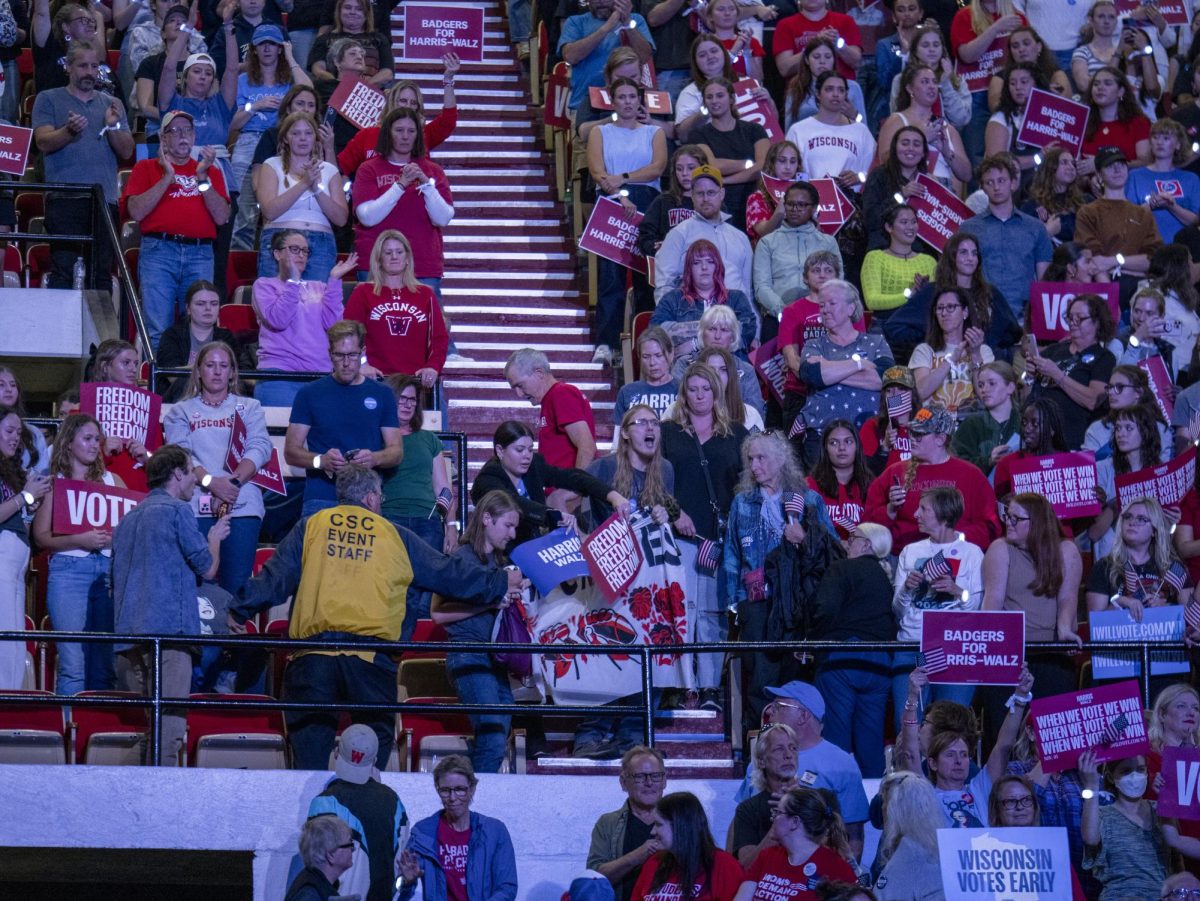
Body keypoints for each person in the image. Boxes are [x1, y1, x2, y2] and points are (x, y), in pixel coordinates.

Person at [233, 468, 522, 770]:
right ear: (371, 498)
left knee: (310, 762)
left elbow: (273, 580)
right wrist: (500, 584)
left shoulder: (311, 526)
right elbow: (448, 574)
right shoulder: (394, 535)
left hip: (312, 657)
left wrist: (238, 609)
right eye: (380, 498)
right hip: (370, 660)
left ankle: (316, 812)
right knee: (374, 755)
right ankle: (365, 806)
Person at [112, 444, 229, 764]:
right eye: (191, 472)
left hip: (130, 637)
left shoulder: (128, 518)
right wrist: (214, 540)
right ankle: (155, 806)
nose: (195, 479)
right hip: (169, 635)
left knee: (153, 727)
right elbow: (207, 568)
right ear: (177, 474)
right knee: (170, 730)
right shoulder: (178, 511)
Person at [725, 430, 837, 727]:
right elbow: (732, 557)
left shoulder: (809, 500)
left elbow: (832, 550)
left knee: (796, 680)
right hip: (758, 605)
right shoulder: (742, 503)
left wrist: (804, 538)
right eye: (750, 459)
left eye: (761, 458)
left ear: (781, 459)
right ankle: (758, 751)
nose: (755, 465)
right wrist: (736, 604)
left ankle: (798, 746)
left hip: (798, 605)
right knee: (759, 682)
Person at [661, 362, 749, 709]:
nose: (699, 396)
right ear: (684, 394)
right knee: (680, 613)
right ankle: (683, 686)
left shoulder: (737, 435)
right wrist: (674, 512)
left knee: (712, 615)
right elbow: (655, 482)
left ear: (716, 393)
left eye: (706, 389)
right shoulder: (668, 433)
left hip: (719, 539)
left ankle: (711, 685)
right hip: (678, 536)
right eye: (693, 389)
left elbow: (745, 486)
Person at [162, 341, 270, 602]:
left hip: (241, 501)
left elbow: (260, 447)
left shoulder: (249, 407)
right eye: (210, 365)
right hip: (196, 502)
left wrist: (230, 485)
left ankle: (231, 643)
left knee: (236, 591)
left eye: (224, 366)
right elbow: (182, 455)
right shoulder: (181, 412)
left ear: (233, 372)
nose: (217, 372)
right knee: (197, 586)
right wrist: (212, 483)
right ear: (198, 371)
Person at [121, 109, 230, 350]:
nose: (183, 136)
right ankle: (160, 386)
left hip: (200, 253)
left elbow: (222, 217)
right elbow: (136, 212)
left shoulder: (209, 170)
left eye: (188, 130)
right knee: (157, 327)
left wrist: (202, 179)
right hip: (159, 251)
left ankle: (194, 386)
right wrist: (166, 177)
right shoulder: (146, 168)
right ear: (163, 139)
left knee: (200, 326)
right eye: (175, 131)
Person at [31, 42, 133, 289]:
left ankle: (99, 329)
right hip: (65, 198)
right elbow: (42, 142)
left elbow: (127, 151)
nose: (90, 71)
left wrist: (113, 125)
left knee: (101, 275)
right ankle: (61, 328)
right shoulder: (48, 98)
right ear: (68, 67)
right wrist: (68, 131)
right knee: (64, 271)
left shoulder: (112, 103)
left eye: (95, 66)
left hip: (104, 200)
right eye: (83, 65)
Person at [433, 490, 522, 774]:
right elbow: (438, 613)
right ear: (486, 518)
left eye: (515, 526)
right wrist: (489, 604)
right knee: (493, 738)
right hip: (468, 652)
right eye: (508, 525)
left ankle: (465, 786)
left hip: (494, 656)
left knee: (496, 736)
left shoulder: (498, 562)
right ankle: (474, 799)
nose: (513, 533)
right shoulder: (462, 558)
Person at [735, 682, 870, 860]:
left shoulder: (841, 764)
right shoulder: (760, 762)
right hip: (764, 873)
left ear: (803, 715)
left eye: (779, 706)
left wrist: (846, 879)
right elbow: (739, 825)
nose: (769, 712)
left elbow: (853, 836)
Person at [283, 321, 402, 517]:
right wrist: (320, 461)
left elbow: (396, 452)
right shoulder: (310, 394)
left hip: (366, 499)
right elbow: (291, 452)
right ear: (330, 354)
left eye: (352, 355)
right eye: (339, 355)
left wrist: (374, 458)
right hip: (321, 497)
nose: (346, 363)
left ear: (362, 352)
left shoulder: (382, 394)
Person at [587, 76, 667, 363]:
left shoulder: (653, 132)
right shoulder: (600, 131)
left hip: (647, 202)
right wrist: (620, 192)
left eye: (632, 96)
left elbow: (657, 168)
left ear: (640, 100)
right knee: (611, 277)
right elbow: (597, 170)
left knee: (647, 277)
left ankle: (645, 347)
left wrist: (624, 179)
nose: (628, 102)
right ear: (613, 100)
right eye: (621, 97)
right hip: (611, 202)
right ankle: (606, 344)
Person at [982, 492, 1082, 716]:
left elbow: (1068, 597)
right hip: (1009, 654)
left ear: (1036, 522)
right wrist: (990, 644)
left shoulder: (1066, 550)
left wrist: (1064, 628)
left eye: (1016, 518)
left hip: (1051, 651)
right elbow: (994, 600)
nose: (1008, 521)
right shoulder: (1000, 548)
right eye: (1007, 515)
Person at [898, 665, 1033, 827]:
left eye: (963, 754)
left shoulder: (980, 790)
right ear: (933, 763)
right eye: (950, 754)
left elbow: (1003, 746)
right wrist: (913, 697)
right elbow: (910, 753)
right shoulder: (925, 795)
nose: (958, 761)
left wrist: (1020, 697)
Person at [810, 522, 896, 777]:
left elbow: (824, 610)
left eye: (852, 537)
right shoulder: (886, 578)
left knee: (836, 737)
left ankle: (835, 807)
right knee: (871, 741)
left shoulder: (841, 568)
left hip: (842, 659)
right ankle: (874, 804)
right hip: (879, 664)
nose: (846, 543)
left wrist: (810, 639)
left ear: (867, 544)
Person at [891, 487, 985, 713]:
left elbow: (977, 609)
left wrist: (956, 590)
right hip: (913, 646)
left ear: (943, 513)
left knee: (951, 728)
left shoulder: (972, 553)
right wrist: (906, 588)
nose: (916, 514)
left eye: (924, 509)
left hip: (955, 649)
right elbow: (897, 610)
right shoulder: (910, 552)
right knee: (907, 725)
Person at [864, 404, 1001, 553]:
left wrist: (955, 539)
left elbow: (991, 527)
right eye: (911, 432)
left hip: (956, 556)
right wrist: (889, 511)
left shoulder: (971, 475)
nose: (912, 438)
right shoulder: (894, 472)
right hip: (902, 556)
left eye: (919, 434)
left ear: (940, 439)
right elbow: (867, 526)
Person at [352, 107, 454, 296]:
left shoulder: (433, 171)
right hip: (376, 265)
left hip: (423, 265)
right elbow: (367, 217)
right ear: (388, 133)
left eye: (411, 131)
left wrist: (426, 185)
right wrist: (400, 185)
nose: (405, 136)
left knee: (427, 324)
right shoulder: (368, 169)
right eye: (399, 130)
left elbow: (443, 219)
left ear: (418, 135)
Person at [471, 420, 622, 546]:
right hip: (501, 552)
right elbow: (515, 502)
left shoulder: (534, 465)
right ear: (500, 451)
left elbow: (572, 477)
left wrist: (613, 495)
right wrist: (553, 514)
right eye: (520, 450)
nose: (527, 456)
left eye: (530, 450)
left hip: (533, 545)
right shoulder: (488, 478)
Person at [882, 231, 1021, 368]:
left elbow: (1012, 333)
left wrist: (989, 345)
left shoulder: (990, 293)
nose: (970, 258)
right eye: (963, 252)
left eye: (974, 253)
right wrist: (933, 338)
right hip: (940, 366)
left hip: (982, 365)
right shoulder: (933, 292)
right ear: (951, 256)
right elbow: (893, 327)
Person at [251, 231, 358, 408]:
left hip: (319, 376)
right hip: (280, 376)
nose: (301, 255)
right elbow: (278, 319)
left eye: (305, 251)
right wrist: (293, 282)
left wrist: (334, 280)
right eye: (294, 249)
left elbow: (333, 326)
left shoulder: (319, 287)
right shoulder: (264, 285)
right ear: (277, 254)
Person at [228, 24, 311, 250]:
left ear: (280, 49)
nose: (267, 49)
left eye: (273, 44)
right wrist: (254, 106)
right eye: (262, 44)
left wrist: (291, 56)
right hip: (248, 140)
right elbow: (231, 124)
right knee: (243, 212)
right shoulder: (242, 80)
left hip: (281, 142)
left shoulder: (289, 80)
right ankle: (239, 263)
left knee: (279, 206)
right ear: (254, 49)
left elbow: (308, 91)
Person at [306, 723, 409, 901]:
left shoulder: (322, 803)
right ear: (375, 762)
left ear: (337, 752)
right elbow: (402, 866)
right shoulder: (394, 801)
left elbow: (318, 873)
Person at [797, 279, 895, 467]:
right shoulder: (814, 345)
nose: (824, 309)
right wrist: (860, 364)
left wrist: (828, 367)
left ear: (851, 309)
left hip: (868, 437)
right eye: (822, 305)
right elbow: (813, 376)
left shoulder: (876, 342)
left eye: (832, 303)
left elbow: (882, 379)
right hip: (821, 438)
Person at [1080, 749, 1200, 900]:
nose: (1134, 776)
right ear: (1111, 777)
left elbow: (1175, 855)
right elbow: (1090, 839)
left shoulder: (1159, 810)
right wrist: (1091, 785)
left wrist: (1166, 798)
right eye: (1126, 771)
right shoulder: (1103, 814)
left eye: (1140, 769)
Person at [397, 755, 518, 901]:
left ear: (472, 789)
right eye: (445, 790)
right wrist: (407, 881)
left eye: (460, 789)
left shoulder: (494, 831)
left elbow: (507, 887)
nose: (452, 797)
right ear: (438, 790)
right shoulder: (423, 833)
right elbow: (402, 891)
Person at [344, 230, 449, 385]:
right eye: (388, 252)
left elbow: (439, 338)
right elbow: (349, 333)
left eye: (399, 252)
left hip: (414, 382)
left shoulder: (425, 294)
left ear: (407, 257)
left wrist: (433, 366)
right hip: (374, 379)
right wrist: (362, 363)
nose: (394, 257)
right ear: (379, 259)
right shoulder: (363, 292)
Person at [253, 111, 348, 283]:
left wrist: (317, 189)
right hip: (280, 239)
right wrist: (304, 183)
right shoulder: (271, 165)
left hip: (320, 244)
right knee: (274, 299)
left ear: (316, 138)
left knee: (315, 302)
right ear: (285, 139)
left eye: (308, 133)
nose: (302, 138)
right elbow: (269, 211)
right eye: (296, 133)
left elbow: (341, 219)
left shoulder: (329, 170)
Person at [959, 153, 1053, 321]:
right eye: (989, 182)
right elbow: (960, 275)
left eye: (1001, 181)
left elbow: (1044, 280)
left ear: (1013, 183)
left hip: (1025, 316)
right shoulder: (969, 228)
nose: (996, 187)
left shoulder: (1036, 228)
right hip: (981, 315)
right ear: (982, 187)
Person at [1026, 292, 1117, 450]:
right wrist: (1029, 376)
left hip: (1071, 438)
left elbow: (1093, 400)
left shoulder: (1104, 358)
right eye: (1070, 317)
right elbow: (1026, 395)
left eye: (1080, 318)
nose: (1072, 322)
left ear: (1097, 322)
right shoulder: (1054, 350)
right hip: (1037, 435)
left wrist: (1057, 374)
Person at [337, 59, 460, 176]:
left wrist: (448, 80)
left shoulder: (423, 134)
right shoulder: (367, 135)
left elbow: (448, 120)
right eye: (403, 101)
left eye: (413, 103)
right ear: (392, 102)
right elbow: (341, 168)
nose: (407, 106)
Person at [732, 787, 858, 899]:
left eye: (778, 813)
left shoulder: (837, 869)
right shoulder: (766, 856)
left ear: (794, 822)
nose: (773, 818)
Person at [653, 166, 754, 305]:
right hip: (694, 317)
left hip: (735, 317)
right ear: (692, 196)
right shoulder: (678, 234)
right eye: (700, 193)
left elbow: (748, 289)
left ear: (722, 194)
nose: (706, 199)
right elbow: (665, 284)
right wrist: (670, 319)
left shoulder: (740, 238)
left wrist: (752, 323)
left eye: (711, 192)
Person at [653, 239, 758, 363]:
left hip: (730, 367)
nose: (704, 267)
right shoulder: (672, 299)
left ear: (718, 266)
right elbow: (657, 331)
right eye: (697, 263)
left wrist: (696, 343)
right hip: (687, 370)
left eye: (710, 262)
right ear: (689, 269)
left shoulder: (736, 298)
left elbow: (746, 331)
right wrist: (720, 330)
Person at [754, 180, 844, 324]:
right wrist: (784, 311)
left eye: (802, 205)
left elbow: (838, 281)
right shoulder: (767, 242)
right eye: (790, 204)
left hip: (820, 316)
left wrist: (816, 309)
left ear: (814, 208)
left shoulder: (828, 242)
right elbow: (761, 287)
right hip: (778, 317)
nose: (795, 209)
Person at [504, 348, 597, 483]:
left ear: (539, 373)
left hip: (567, 498)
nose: (519, 394)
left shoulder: (561, 394)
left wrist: (575, 491)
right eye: (515, 388)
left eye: (520, 385)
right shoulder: (551, 399)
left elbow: (587, 447)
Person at [588, 746, 669, 901]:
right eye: (640, 776)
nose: (649, 782)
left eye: (656, 776)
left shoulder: (680, 820)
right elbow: (594, 879)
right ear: (624, 782)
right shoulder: (608, 823)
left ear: (665, 780)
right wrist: (637, 856)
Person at [1076, 145, 1163, 287]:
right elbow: (1094, 262)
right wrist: (1112, 297)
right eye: (1110, 165)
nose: (1117, 169)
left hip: (1141, 287)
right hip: (1105, 286)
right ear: (1099, 175)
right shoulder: (1088, 212)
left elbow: (1153, 260)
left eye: (1121, 164)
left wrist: (1113, 261)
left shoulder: (1142, 213)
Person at [631, 791, 745, 900]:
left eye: (658, 824)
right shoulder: (653, 863)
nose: (653, 831)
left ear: (681, 826)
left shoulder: (724, 865)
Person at [877, 65, 972, 189]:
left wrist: (947, 152)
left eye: (934, 82)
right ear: (910, 89)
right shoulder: (896, 121)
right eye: (925, 82)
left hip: (940, 197)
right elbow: (884, 161)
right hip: (907, 191)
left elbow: (966, 175)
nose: (932, 86)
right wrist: (921, 140)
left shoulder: (948, 128)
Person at [556, 0, 654, 113]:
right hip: (585, 103)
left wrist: (627, 22)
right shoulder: (575, 21)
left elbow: (645, 56)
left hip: (628, 104)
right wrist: (607, 27)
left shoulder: (636, 20)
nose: (601, 1)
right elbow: (570, 56)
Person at [785, 72, 877, 192]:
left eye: (841, 90)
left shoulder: (861, 131)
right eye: (829, 89)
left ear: (846, 95)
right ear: (818, 94)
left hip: (851, 202)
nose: (835, 94)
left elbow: (874, 169)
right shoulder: (798, 130)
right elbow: (787, 170)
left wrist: (859, 177)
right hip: (809, 201)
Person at [588, 405, 674, 528]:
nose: (650, 427)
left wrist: (664, 516)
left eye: (655, 423)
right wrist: (581, 537)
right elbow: (560, 497)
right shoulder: (605, 466)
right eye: (641, 422)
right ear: (625, 432)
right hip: (610, 545)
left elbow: (670, 511)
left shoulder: (665, 468)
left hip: (646, 545)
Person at [155, 281, 241, 403]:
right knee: (182, 382)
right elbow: (172, 375)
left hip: (220, 398)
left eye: (214, 304)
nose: (208, 308)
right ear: (188, 309)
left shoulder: (226, 338)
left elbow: (233, 374)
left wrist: (194, 369)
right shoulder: (172, 335)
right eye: (201, 304)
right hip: (180, 399)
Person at [909, 287, 992, 414]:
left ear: (965, 312)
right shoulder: (924, 350)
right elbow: (921, 393)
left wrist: (975, 354)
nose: (944, 313)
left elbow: (985, 395)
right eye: (940, 308)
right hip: (932, 424)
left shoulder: (983, 351)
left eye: (951, 307)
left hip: (971, 422)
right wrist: (952, 359)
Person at [670, 305, 763, 416]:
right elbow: (677, 406)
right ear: (702, 333)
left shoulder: (746, 370)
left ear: (733, 337)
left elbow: (755, 414)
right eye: (712, 329)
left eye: (724, 330)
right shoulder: (684, 365)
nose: (717, 336)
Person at [729, 723, 801, 867]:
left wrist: (803, 809)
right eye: (779, 749)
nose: (788, 755)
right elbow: (745, 866)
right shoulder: (748, 809)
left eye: (793, 748)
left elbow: (837, 855)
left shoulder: (818, 800)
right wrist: (777, 828)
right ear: (761, 761)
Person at [89, 339, 154, 493]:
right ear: (105, 367)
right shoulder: (84, 410)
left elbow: (161, 458)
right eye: (126, 363)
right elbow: (71, 464)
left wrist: (147, 457)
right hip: (100, 494)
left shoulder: (148, 409)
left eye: (135, 363)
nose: (133, 369)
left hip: (140, 493)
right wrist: (102, 452)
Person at [870, 772, 945, 901]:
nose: (882, 808)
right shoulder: (941, 848)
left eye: (885, 803)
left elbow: (882, 897)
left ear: (894, 810)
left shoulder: (909, 853)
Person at [1126, 119, 1200, 243]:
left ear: (1178, 145)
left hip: (1184, 250)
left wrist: (1172, 206)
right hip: (1146, 246)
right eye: (1155, 138)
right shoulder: (1135, 176)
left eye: (1166, 138)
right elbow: (1129, 219)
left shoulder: (1190, 179)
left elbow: (1195, 221)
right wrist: (1151, 204)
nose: (1160, 142)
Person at [888, 22, 973, 129]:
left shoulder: (956, 80)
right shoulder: (901, 80)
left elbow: (962, 119)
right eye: (925, 45)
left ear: (942, 49)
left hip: (947, 139)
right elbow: (897, 117)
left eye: (936, 45)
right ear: (915, 50)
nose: (932, 49)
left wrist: (946, 84)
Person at [862, 126, 931, 254]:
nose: (910, 148)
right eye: (905, 143)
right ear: (895, 148)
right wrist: (901, 196)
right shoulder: (879, 175)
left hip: (920, 255)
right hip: (883, 251)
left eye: (916, 144)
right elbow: (870, 219)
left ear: (923, 152)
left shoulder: (930, 183)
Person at [1084, 364, 1173, 463]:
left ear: (1138, 392)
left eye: (1119, 387)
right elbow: (1091, 471)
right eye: (1110, 387)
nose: (1111, 392)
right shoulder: (1097, 429)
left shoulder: (1160, 429)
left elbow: (1163, 471)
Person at [860, 204, 937, 318]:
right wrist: (909, 294)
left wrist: (925, 291)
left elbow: (938, 300)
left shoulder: (929, 261)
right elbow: (872, 301)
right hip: (885, 325)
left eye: (914, 222)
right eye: (904, 222)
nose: (911, 227)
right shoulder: (875, 258)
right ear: (889, 227)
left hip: (922, 325)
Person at [991, 397, 1070, 502]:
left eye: (1035, 424)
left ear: (1051, 429)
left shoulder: (1069, 463)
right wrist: (1006, 502)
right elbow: (998, 506)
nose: (1027, 429)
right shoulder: (1007, 464)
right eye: (1024, 423)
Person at [638, 145, 704, 263]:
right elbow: (645, 236)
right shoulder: (663, 201)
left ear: (703, 168)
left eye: (691, 168)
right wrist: (657, 248)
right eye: (679, 169)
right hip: (667, 269)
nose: (684, 173)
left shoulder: (710, 202)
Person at [950, 362, 1019, 475]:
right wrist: (988, 461)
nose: (984, 390)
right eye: (981, 385)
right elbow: (957, 464)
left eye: (992, 383)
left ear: (1010, 388)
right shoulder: (972, 424)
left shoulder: (1024, 422)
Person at [783, 37, 867, 129]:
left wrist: (854, 115)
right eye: (816, 57)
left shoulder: (852, 87)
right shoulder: (796, 89)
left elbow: (864, 127)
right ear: (807, 60)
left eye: (827, 57)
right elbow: (789, 131)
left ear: (834, 59)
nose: (822, 62)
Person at [807, 420, 871, 537]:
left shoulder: (871, 485)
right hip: (823, 552)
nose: (842, 448)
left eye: (848, 441)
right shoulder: (810, 485)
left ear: (857, 446)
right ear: (825, 449)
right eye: (834, 443)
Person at [983, 63, 1044, 185]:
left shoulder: (1048, 117)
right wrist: (1038, 159)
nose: (1018, 87)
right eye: (1012, 83)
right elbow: (996, 162)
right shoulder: (1000, 118)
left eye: (1024, 82)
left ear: (1036, 84)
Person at [773, 0, 862, 82]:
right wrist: (814, 44)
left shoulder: (846, 21)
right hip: (802, 91)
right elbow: (784, 69)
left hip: (841, 90)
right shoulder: (785, 25)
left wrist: (839, 44)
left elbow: (856, 63)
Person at [307, 0, 392, 85]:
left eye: (359, 9)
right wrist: (339, 85)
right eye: (347, 8)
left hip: (368, 93)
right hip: (331, 92)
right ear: (339, 11)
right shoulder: (324, 39)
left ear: (367, 14)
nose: (352, 12)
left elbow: (387, 73)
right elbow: (318, 70)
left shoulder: (379, 39)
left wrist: (361, 87)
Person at [1080, 66, 1152, 165]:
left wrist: (1102, 164)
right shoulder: (1083, 123)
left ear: (1121, 91)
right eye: (1096, 84)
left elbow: (1145, 162)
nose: (1100, 88)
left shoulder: (1139, 123)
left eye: (1107, 83)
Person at [986, 25, 1072, 108]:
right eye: (1015, 46)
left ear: (1039, 47)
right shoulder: (1000, 77)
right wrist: (1043, 92)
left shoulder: (1055, 72)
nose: (1021, 49)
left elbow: (1064, 102)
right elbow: (995, 106)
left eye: (1026, 43)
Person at [1020, 147, 1087, 246]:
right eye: (1064, 162)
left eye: (1073, 163)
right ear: (1050, 168)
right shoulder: (1031, 207)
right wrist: (1047, 232)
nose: (1071, 167)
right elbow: (1022, 244)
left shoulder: (1085, 201)